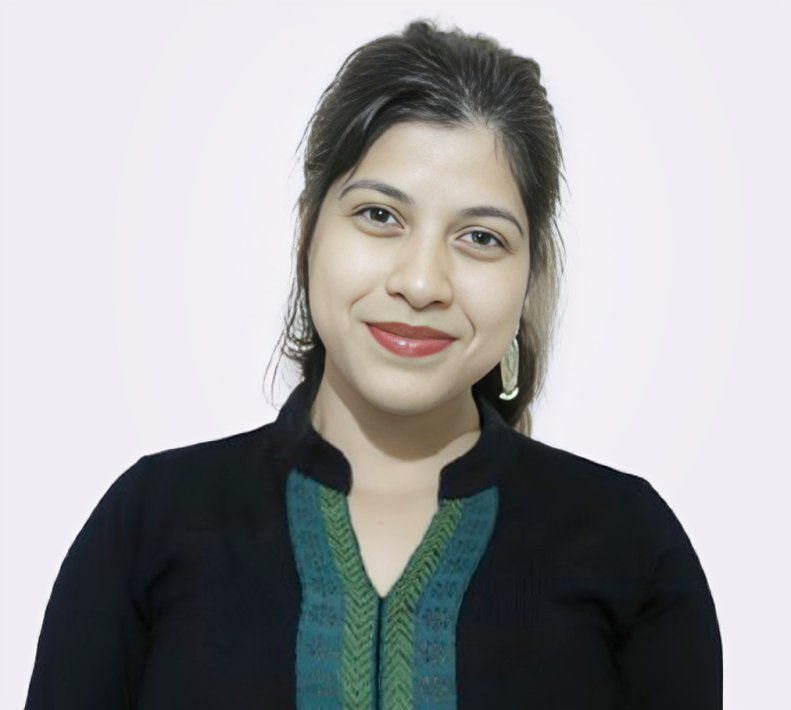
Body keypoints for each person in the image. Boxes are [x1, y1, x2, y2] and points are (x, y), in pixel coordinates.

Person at [24, 20, 722, 709]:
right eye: (380, 216)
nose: (421, 283)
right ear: (308, 228)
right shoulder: (151, 523)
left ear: (529, 274)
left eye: (480, 237)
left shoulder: (630, 546)